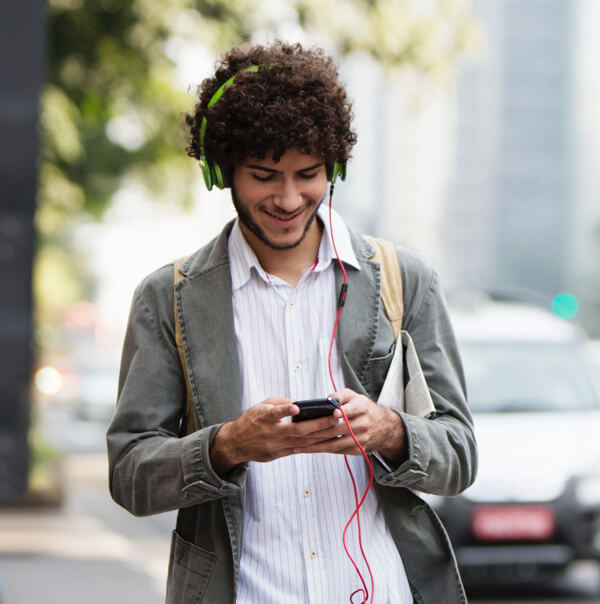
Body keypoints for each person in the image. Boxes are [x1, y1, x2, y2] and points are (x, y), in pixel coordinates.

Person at [107, 40, 477, 604]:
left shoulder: (407, 281)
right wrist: (227, 445)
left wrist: (390, 431)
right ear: (221, 171)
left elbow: (459, 455)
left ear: (336, 166)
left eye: (308, 174)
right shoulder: (169, 299)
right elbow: (130, 474)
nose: (287, 198)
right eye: (263, 175)